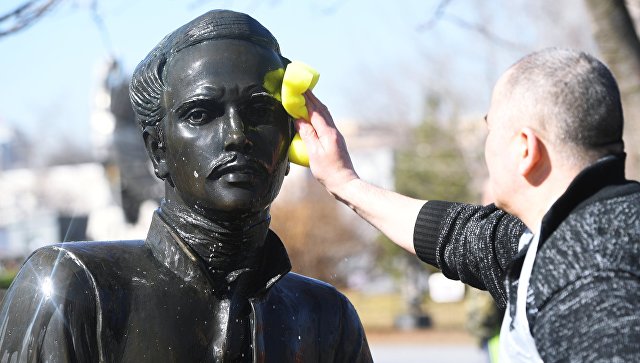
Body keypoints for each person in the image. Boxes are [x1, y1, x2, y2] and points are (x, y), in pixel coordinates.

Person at [0, 10, 371, 362]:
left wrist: (349, 185)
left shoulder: (326, 317)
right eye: (200, 114)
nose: (236, 136)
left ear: (290, 139)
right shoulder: (77, 289)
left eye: (260, 113)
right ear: (157, 149)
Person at [296, 48, 640, 362]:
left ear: (524, 149)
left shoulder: (590, 276)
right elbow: (458, 236)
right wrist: (345, 183)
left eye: (490, 129)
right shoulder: (565, 231)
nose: (485, 146)